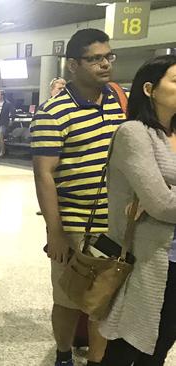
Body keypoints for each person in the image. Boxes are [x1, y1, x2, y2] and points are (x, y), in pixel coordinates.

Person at [31, 28, 128, 366]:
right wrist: (54, 232)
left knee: (105, 300)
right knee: (69, 297)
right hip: (74, 225)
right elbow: (44, 174)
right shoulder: (53, 112)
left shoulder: (118, 102)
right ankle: (62, 354)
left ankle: (96, 360)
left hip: (114, 224)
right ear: (73, 65)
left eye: (108, 56)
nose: (104, 64)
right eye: (94, 59)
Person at [98, 55, 176, 366]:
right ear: (149, 89)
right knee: (127, 345)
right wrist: (161, 199)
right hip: (147, 259)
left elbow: (162, 201)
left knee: (160, 346)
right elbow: (161, 204)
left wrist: (164, 196)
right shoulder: (134, 133)